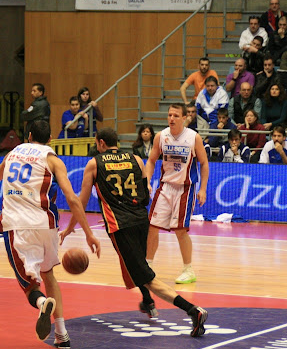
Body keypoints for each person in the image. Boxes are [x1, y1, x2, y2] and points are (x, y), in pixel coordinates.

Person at [0, 120, 101, 349]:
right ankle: (61, 334)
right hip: (46, 224)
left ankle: (42, 303)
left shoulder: (12, 153)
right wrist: (89, 234)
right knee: (48, 274)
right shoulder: (53, 160)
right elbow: (72, 198)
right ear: (50, 139)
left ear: (29, 135)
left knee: (30, 286)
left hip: (17, 225)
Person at [72, 127, 208, 336]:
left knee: (146, 277)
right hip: (141, 220)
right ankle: (147, 301)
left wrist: (72, 228)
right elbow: (144, 196)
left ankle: (192, 310)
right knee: (139, 267)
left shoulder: (94, 163)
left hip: (120, 225)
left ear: (101, 143)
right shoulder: (135, 159)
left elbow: (80, 202)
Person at [145, 104, 209, 284]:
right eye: (169, 115)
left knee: (180, 230)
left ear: (184, 118)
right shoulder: (161, 136)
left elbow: (204, 163)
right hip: (165, 186)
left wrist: (203, 189)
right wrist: (147, 181)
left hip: (185, 188)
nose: (171, 118)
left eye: (175, 115)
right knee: (152, 227)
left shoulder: (193, 137)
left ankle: (188, 270)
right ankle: (147, 265)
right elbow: (151, 161)